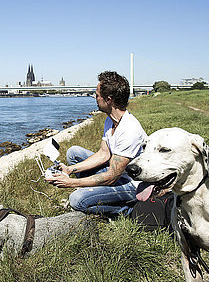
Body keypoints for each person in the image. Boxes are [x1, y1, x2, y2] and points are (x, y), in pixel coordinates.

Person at [45, 71, 146, 217]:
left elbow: (112, 176)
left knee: (76, 200)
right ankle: (94, 193)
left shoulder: (129, 130)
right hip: (118, 174)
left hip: (133, 185)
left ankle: (127, 211)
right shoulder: (110, 121)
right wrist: (69, 170)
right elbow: (103, 154)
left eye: (97, 95)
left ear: (108, 99)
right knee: (73, 153)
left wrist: (71, 183)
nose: (95, 97)